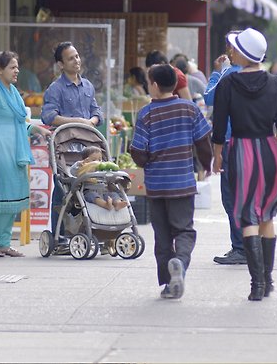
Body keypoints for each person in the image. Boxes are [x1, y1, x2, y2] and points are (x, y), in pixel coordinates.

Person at [211, 28, 277, 301]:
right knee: (267, 217)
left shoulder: (226, 84)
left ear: (243, 53)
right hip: (269, 152)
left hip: (240, 152)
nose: (231, 51)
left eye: (235, 48)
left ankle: (256, 284)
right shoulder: (276, 84)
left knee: (248, 215)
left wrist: (217, 155)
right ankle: (268, 278)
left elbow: (218, 126)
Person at [129, 64, 213, 299]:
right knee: (184, 230)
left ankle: (168, 283)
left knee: (162, 236)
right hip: (182, 182)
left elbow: (138, 152)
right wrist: (206, 166)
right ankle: (180, 263)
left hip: (157, 185)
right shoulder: (190, 108)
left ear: (154, 85)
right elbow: (203, 142)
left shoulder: (146, 113)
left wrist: (145, 161)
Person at [0, 51, 51, 258]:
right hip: (0, 149)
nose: (17, 70)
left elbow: (20, 124)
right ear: (0, 70)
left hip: (16, 151)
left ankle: (3, 243)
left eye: (17, 67)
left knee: (16, 196)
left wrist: (40, 130)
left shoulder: (13, 93)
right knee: (7, 197)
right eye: (12, 67)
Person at [41, 42, 104, 238]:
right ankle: (59, 234)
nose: (76, 61)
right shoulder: (56, 88)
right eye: (70, 58)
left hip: (87, 147)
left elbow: (97, 112)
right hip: (65, 149)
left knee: (92, 187)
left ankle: (89, 231)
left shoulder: (88, 86)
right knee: (63, 190)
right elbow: (48, 116)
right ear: (61, 64)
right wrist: (76, 121)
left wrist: (91, 121)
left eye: (77, 56)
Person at [204, 33, 245, 265]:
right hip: (253, 144)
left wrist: (218, 72)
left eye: (230, 47)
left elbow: (209, 99)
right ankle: (248, 244)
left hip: (230, 142)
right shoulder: (262, 76)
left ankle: (240, 246)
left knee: (231, 197)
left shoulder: (228, 75)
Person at [71, 146, 128, 211]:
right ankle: (105, 205)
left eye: (100, 159)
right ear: (86, 161)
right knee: (92, 196)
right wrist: (79, 164)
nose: (98, 162)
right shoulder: (84, 168)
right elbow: (73, 172)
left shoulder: (103, 169)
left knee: (113, 194)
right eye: (94, 160)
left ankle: (118, 203)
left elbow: (110, 179)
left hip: (104, 192)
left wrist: (114, 176)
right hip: (89, 191)